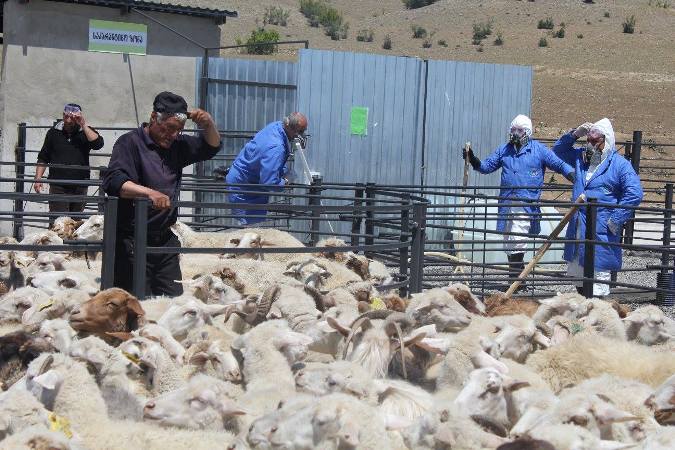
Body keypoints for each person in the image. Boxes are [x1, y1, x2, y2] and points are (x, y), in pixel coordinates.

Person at [102, 92, 221, 297]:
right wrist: (149, 193)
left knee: (174, 302)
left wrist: (208, 124)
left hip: (165, 241)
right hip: (132, 241)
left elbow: (211, 147)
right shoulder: (129, 143)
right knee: (137, 303)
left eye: (179, 130)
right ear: (154, 118)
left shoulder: (177, 146)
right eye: (170, 128)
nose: (174, 135)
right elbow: (115, 182)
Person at [463, 114, 575, 288]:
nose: (515, 133)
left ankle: (514, 279)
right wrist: (473, 159)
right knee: (508, 240)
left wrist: (574, 176)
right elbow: (486, 167)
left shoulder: (539, 150)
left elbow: (559, 164)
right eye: (513, 130)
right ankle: (517, 277)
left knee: (517, 238)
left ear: (527, 132)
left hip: (526, 203)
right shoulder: (504, 150)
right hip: (507, 203)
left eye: (519, 130)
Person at [552, 118, 643, 297]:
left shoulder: (619, 165)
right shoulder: (580, 159)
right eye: (588, 140)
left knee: (598, 279)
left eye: (595, 141)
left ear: (606, 141)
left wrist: (615, 220)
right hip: (578, 226)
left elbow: (635, 193)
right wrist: (575, 134)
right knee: (579, 276)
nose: (590, 144)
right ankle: (583, 319)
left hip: (601, 228)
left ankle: (598, 319)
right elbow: (558, 151)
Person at [225, 112, 308, 225]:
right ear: (292, 130)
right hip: (245, 187)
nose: (302, 135)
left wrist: (282, 170)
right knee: (251, 229)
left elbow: (266, 160)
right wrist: (287, 181)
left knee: (251, 230)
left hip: (248, 179)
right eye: (301, 131)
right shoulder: (277, 147)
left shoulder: (277, 126)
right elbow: (268, 183)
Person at [35, 103, 104, 222]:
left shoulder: (85, 132)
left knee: (76, 222)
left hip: (80, 185)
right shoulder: (53, 133)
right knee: (59, 221)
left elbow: (98, 144)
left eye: (73, 119)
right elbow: (43, 157)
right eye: (66, 118)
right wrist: (38, 178)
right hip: (58, 185)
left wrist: (83, 124)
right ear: (63, 115)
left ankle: (72, 242)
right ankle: (57, 241)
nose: (69, 122)